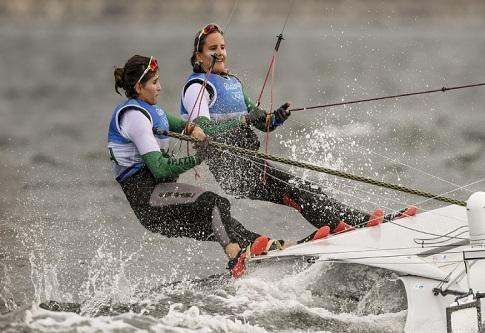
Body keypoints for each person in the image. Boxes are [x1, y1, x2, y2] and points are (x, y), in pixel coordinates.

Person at [179, 23, 416, 237]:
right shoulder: (198, 87)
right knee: (297, 190)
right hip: (232, 170)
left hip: (252, 162)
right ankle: (347, 228)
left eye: (222, 46)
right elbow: (203, 128)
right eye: (213, 48)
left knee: (309, 188)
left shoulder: (232, 83)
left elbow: (261, 123)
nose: (219, 52)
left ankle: (360, 222)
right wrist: (244, 119)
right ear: (199, 55)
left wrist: (276, 118)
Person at [108, 54, 274, 277]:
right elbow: (159, 169)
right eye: (154, 82)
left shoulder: (151, 110)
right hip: (149, 200)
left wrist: (194, 129)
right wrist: (197, 158)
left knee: (223, 222)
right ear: (139, 86)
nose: (160, 87)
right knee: (215, 203)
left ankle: (264, 249)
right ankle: (237, 260)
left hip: (159, 199)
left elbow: (183, 126)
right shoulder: (134, 116)